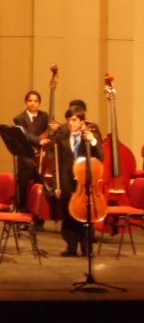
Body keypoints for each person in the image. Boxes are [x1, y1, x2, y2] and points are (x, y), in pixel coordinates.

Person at [53, 107, 102, 257]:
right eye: (68, 120)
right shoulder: (62, 137)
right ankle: (71, 247)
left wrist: (92, 140)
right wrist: (57, 185)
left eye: (74, 120)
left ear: (82, 121)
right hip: (67, 180)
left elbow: (101, 156)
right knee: (68, 214)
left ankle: (86, 246)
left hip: (85, 180)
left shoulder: (89, 136)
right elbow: (57, 163)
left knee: (85, 214)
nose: (70, 123)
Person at [13, 90, 53, 211]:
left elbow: (50, 131)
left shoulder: (45, 116)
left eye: (36, 101)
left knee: (40, 182)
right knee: (24, 183)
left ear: (39, 103)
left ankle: (39, 214)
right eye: (30, 100)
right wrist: (39, 141)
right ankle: (22, 211)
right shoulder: (19, 118)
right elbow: (25, 134)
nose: (33, 103)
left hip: (41, 155)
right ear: (26, 102)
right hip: (26, 155)